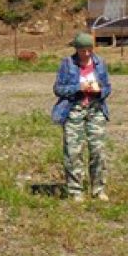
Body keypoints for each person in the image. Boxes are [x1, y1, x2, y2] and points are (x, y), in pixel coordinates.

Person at [52, 32, 112, 201]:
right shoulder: (67, 64)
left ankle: (98, 189)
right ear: (76, 50)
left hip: (95, 109)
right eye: (82, 50)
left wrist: (100, 90)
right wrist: (78, 88)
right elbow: (58, 89)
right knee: (73, 151)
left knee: (98, 150)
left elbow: (108, 87)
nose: (86, 54)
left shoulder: (100, 64)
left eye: (89, 50)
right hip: (73, 110)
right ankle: (75, 190)